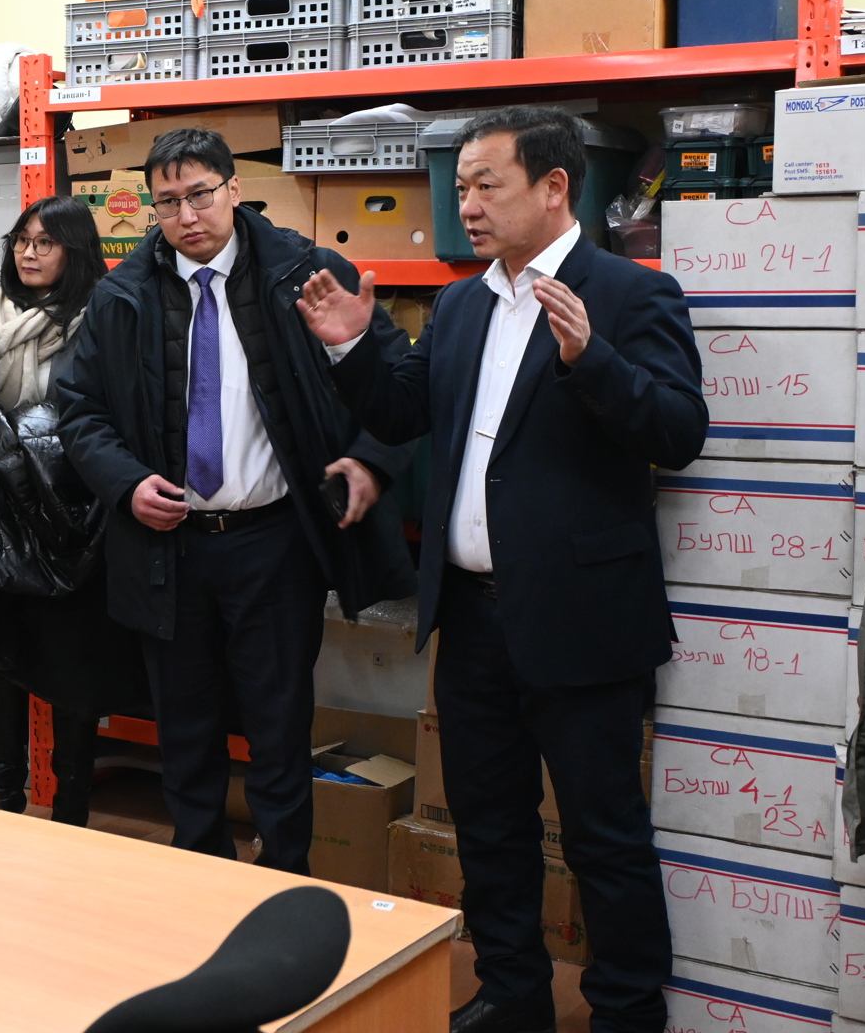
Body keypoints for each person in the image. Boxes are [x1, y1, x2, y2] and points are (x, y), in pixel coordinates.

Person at [296, 106, 706, 1033]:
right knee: (488, 822)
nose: (468, 206)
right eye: (461, 187)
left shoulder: (630, 294)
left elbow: (679, 432)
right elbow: (403, 414)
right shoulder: (462, 304)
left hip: (582, 618)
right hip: (473, 619)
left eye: (487, 185)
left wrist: (590, 360)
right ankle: (512, 993)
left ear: (555, 187)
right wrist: (356, 344)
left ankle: (627, 1012)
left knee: (604, 834)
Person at [57, 127, 416, 870]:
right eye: (167, 203)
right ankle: (200, 876)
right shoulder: (121, 296)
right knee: (185, 730)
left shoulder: (306, 274)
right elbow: (79, 411)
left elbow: (395, 386)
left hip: (274, 544)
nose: (187, 216)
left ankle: (284, 877)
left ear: (234, 189)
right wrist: (125, 483)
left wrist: (370, 461)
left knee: (277, 726)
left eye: (200, 194)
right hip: (168, 549)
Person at [0, 195, 149, 825]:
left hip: (72, 518)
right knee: (0, 658)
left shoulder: (102, 314)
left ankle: (70, 808)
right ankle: (4, 802)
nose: (27, 253)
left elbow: (120, 409)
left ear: (74, 250)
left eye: (44, 243)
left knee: (71, 663)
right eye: (21, 241)